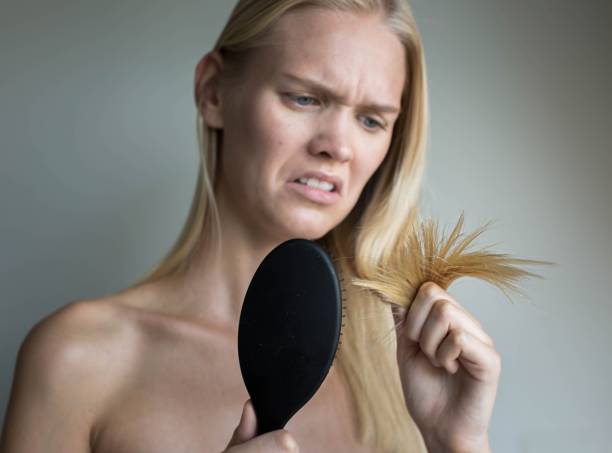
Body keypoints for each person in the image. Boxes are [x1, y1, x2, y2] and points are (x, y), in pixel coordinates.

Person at [0, 1, 500, 452]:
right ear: (213, 92)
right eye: (305, 98)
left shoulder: (406, 371)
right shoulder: (79, 360)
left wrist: (455, 442)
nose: (338, 147)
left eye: (371, 120)